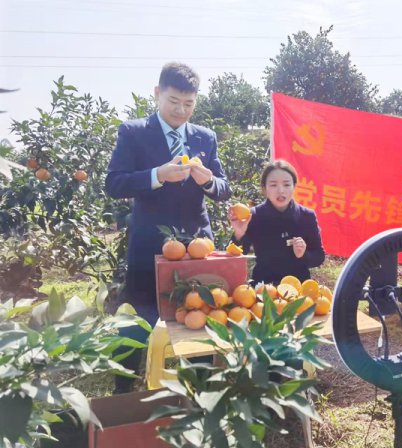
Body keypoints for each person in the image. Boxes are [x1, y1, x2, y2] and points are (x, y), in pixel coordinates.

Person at [105, 62, 231, 393]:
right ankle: (124, 391)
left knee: (197, 316)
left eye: (189, 104)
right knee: (138, 320)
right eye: (174, 101)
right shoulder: (134, 132)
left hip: (197, 248)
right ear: (157, 93)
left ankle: (197, 390)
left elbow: (223, 189)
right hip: (150, 247)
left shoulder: (205, 137)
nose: (181, 110)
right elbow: (114, 183)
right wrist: (156, 175)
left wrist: (209, 182)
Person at [229, 159, 325, 285]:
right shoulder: (254, 215)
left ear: (294, 186)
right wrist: (238, 234)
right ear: (264, 188)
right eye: (273, 185)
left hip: (298, 288)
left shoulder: (306, 216)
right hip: (263, 288)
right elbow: (235, 258)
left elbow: (319, 257)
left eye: (286, 185)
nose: (281, 190)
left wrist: (303, 254)